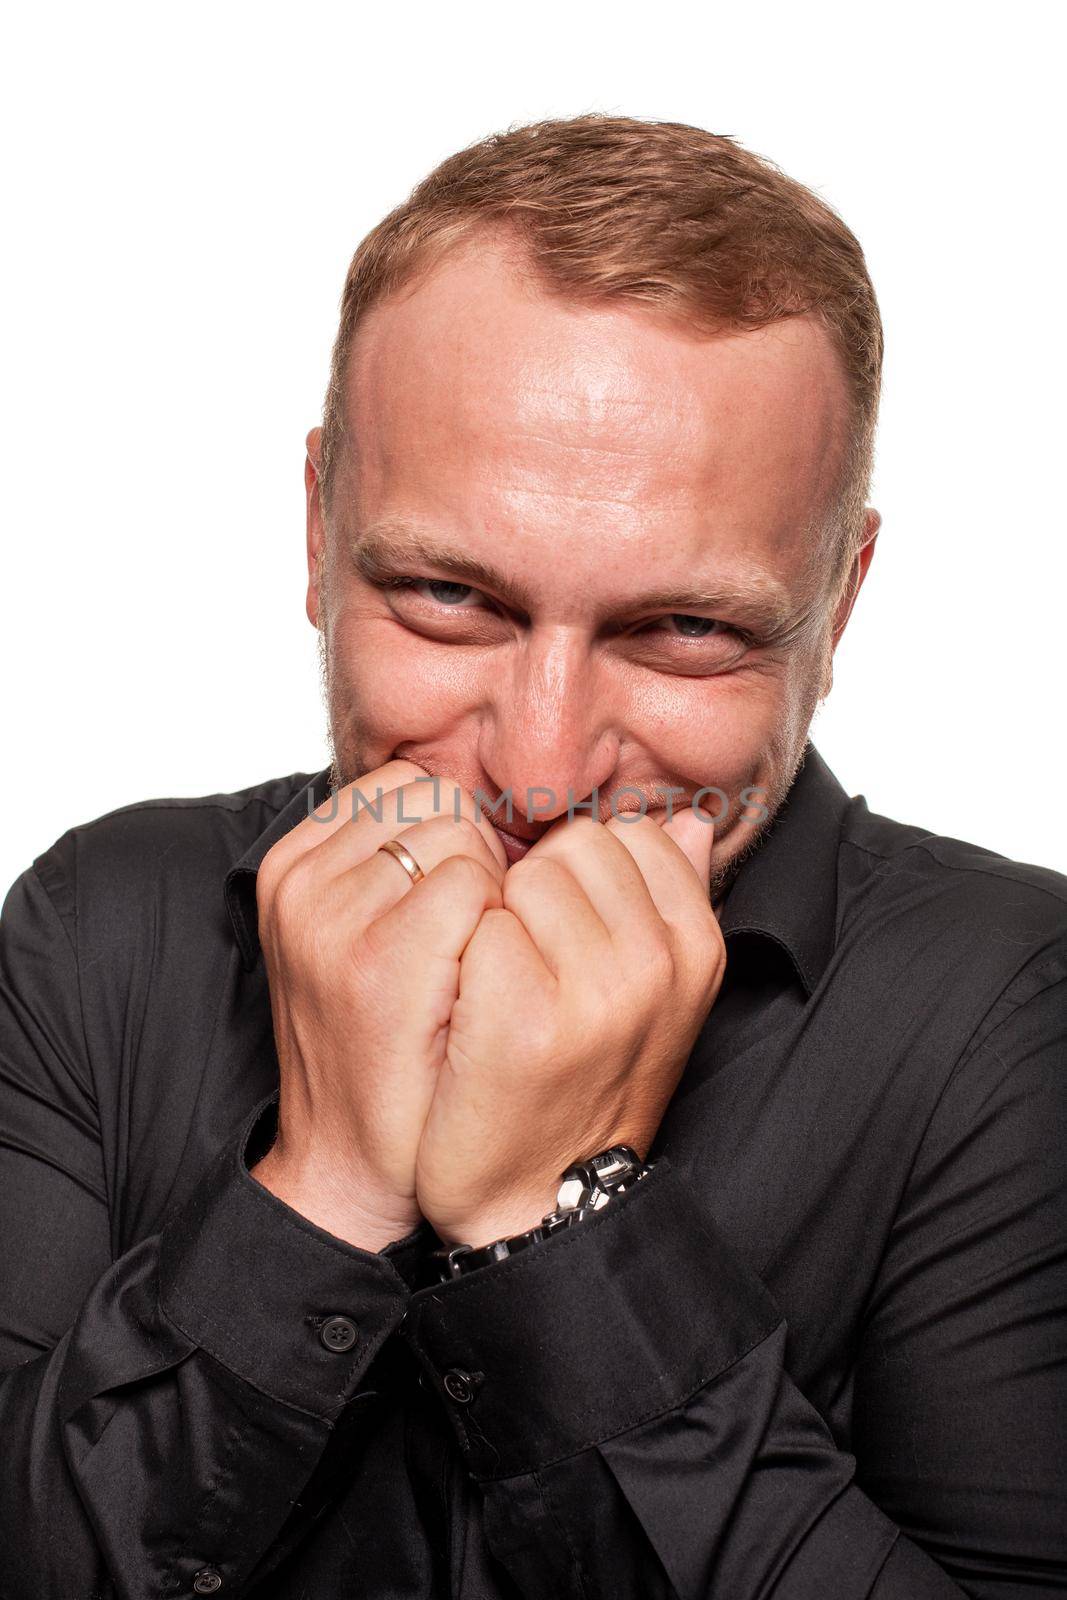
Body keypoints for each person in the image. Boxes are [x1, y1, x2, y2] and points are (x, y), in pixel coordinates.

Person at [0, 114, 1064, 1600]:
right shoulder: (99, 927)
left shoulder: (1016, 1010)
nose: (547, 772)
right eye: (447, 597)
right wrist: (321, 1193)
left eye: (686, 629)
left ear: (842, 599)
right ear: (318, 531)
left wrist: (561, 1220)